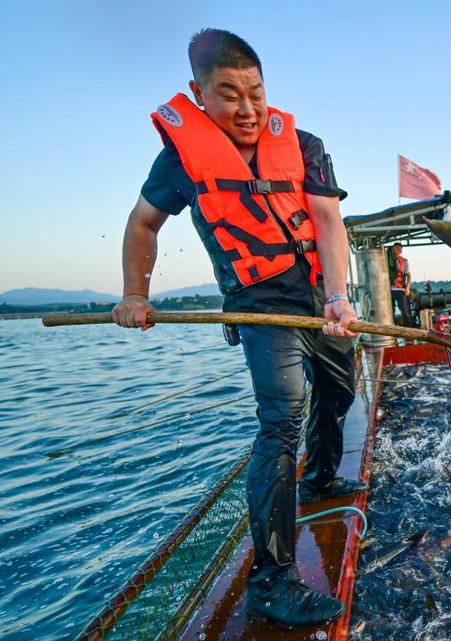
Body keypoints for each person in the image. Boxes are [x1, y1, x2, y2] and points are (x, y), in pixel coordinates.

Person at [110, 29, 366, 628]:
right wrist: (133, 295)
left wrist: (337, 295)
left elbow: (328, 221)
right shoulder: (178, 160)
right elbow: (143, 225)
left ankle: (324, 476)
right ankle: (272, 582)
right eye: (229, 95)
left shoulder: (304, 144)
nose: (247, 110)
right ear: (199, 96)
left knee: (340, 392)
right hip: (257, 307)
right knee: (281, 422)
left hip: (318, 300)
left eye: (255, 93)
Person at [387, 242, 413, 327]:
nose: (397, 250)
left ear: (401, 250)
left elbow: (409, 276)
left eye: (399, 248)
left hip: (401, 290)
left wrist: (408, 287)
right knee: (390, 311)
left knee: (405, 311)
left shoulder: (405, 261)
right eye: (395, 248)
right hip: (389, 290)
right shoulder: (387, 260)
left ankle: (409, 330)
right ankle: (392, 329)